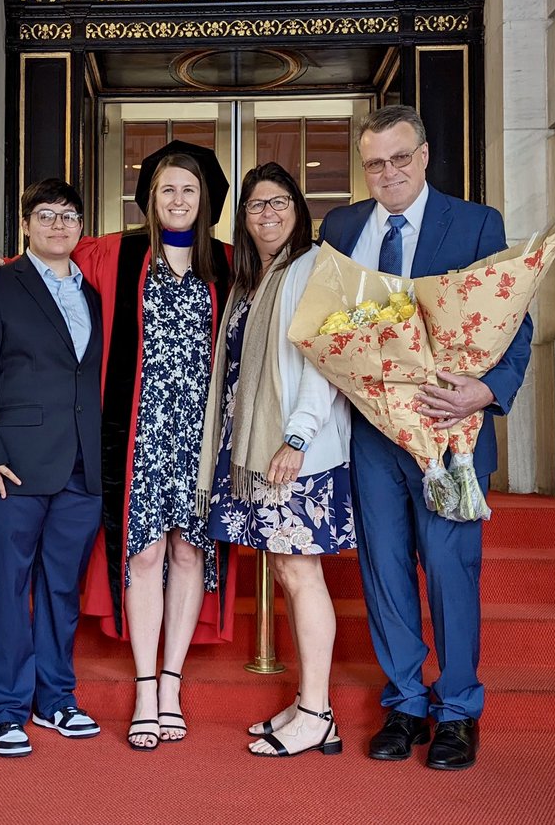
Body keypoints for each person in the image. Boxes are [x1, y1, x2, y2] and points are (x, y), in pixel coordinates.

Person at [0, 141, 235, 753]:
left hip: (201, 441)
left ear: (206, 200)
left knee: (190, 555)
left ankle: (168, 687)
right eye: (166, 188)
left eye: (189, 189)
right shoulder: (117, 251)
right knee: (141, 557)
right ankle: (140, 692)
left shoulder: (226, 261)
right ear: (148, 198)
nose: (177, 199)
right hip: (135, 436)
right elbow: (47, 255)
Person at [318, 105, 532, 770]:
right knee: (383, 571)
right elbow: (326, 323)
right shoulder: (342, 227)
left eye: (400, 158)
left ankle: (458, 711)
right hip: (372, 435)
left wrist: (488, 389)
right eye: (375, 163)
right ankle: (407, 702)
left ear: (425, 154)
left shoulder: (474, 223)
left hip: (451, 431)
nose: (389, 173)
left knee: (448, 569)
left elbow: (513, 320)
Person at [197, 163, 354, 758]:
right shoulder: (248, 280)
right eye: (256, 205)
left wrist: (297, 438)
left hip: (295, 453)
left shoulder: (314, 267)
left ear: (298, 210)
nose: (267, 213)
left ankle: (316, 712)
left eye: (279, 202)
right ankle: (313, 707)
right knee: (289, 572)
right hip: (257, 450)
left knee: (300, 571)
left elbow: (324, 359)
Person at [0, 178, 104, 757]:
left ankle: (55, 699)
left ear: (81, 226)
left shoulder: (92, 291)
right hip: (9, 468)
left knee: (60, 588)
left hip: (80, 469)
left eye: (69, 215)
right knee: (5, 589)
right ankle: (4, 710)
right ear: (25, 225)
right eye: (46, 215)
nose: (59, 224)